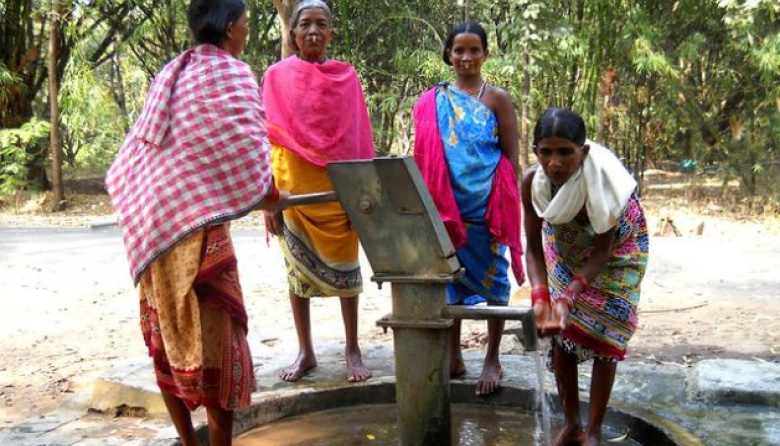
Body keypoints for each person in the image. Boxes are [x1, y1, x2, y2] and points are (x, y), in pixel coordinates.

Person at [105, 1, 285, 444]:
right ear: (228, 26)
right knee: (219, 350)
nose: (247, 28)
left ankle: (190, 442)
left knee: (165, 339)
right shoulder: (233, 75)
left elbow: (152, 151)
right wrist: (272, 199)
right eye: (245, 21)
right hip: (200, 235)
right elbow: (247, 156)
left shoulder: (173, 72)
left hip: (153, 230)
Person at [261, 0, 375, 383]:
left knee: (348, 271)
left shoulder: (347, 76)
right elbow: (270, 139)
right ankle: (306, 350)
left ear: (331, 32)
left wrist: (362, 192)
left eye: (321, 24)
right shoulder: (275, 76)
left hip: (338, 192)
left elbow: (359, 135)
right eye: (305, 24)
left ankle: (352, 348)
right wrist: (268, 201)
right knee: (297, 277)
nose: (313, 31)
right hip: (293, 194)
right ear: (292, 33)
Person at [521, 108, 649, 446]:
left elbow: (603, 251)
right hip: (563, 244)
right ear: (535, 152)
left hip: (618, 247)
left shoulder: (601, 183)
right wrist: (541, 298)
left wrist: (567, 296)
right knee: (563, 333)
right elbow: (532, 248)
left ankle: (593, 430)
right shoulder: (531, 183)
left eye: (565, 151)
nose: (555, 162)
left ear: (584, 152)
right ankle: (571, 424)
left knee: (606, 333)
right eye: (545, 152)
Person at [412, 20, 525, 396]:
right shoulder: (432, 101)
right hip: (445, 209)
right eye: (459, 50)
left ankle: (492, 357)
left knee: (494, 282)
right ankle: (454, 354)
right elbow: (425, 155)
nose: (466, 57)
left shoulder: (497, 99)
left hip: (487, 209)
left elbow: (510, 156)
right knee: (450, 282)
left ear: (485, 54)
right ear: (449, 55)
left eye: (474, 49)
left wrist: (507, 202)